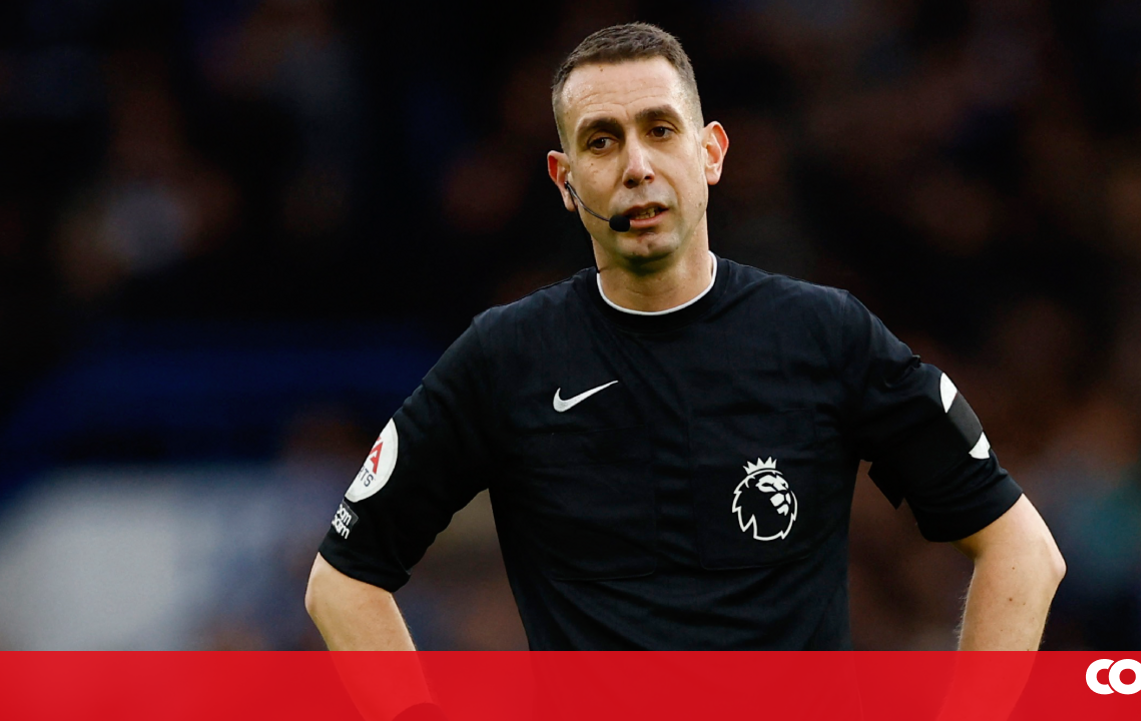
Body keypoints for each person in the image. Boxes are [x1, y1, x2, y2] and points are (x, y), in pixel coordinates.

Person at [305, 22, 1065, 652]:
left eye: (660, 130)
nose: (637, 166)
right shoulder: (506, 358)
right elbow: (341, 580)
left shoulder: (826, 335)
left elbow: (1022, 550)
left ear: (711, 153)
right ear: (565, 181)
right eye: (602, 142)